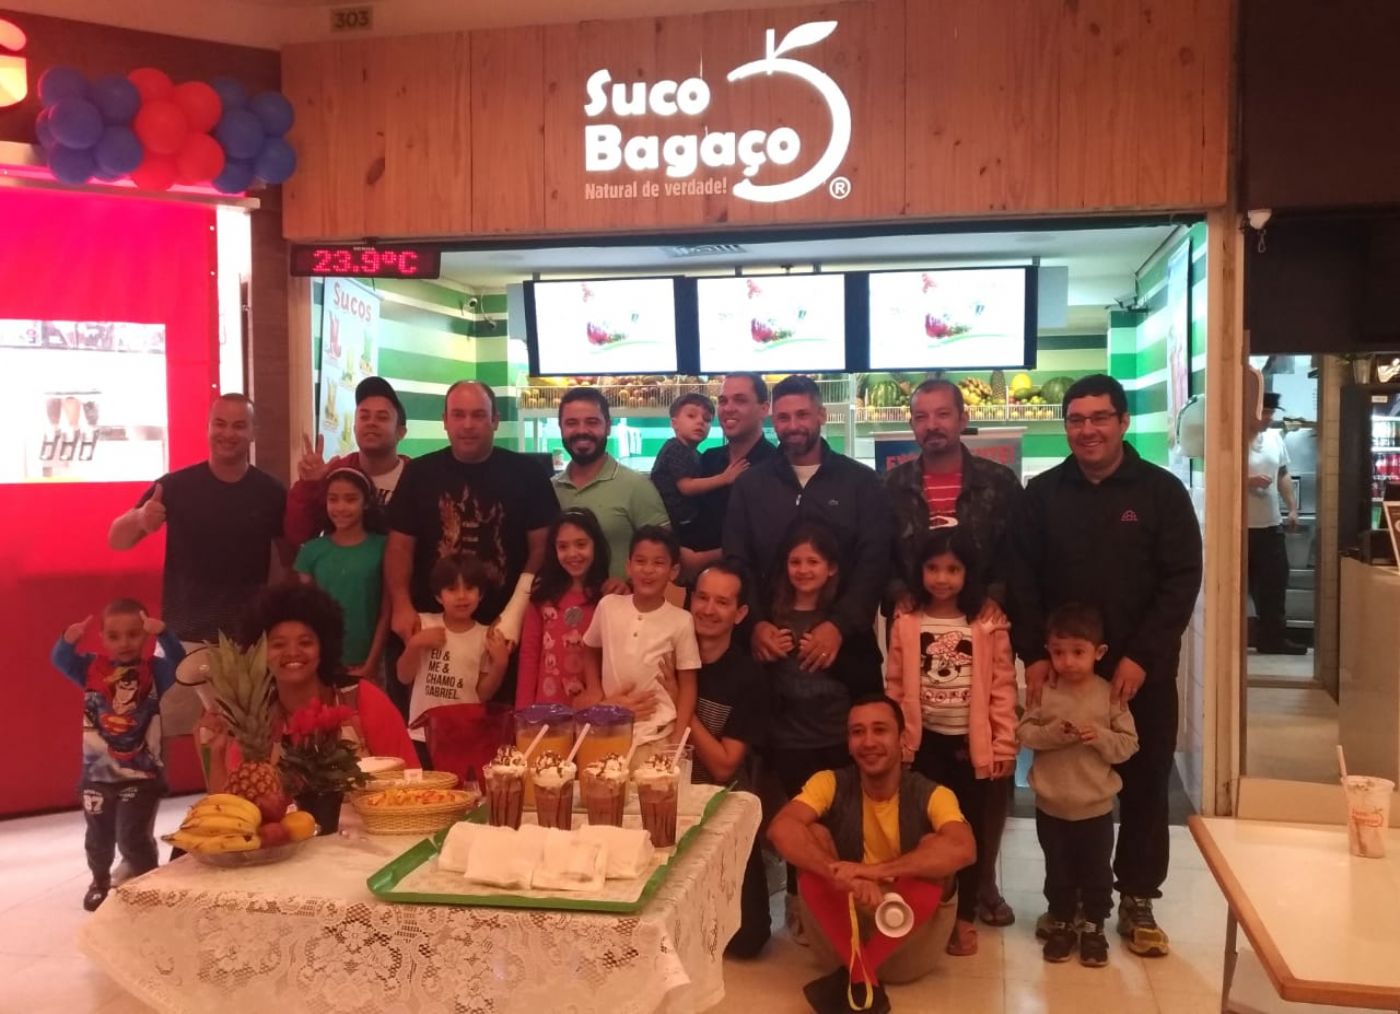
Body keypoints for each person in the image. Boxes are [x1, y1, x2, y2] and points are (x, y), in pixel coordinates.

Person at [1008, 373, 1202, 958]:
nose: (1087, 430)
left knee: (1144, 784)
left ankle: (1138, 897)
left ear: (1122, 422)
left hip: (1138, 676)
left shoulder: (1162, 492)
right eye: (1076, 419)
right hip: (1063, 676)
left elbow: (1181, 580)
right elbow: (1021, 579)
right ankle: (1067, 900)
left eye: (1099, 418)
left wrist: (1142, 655)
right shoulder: (1042, 495)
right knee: (1067, 790)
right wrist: (1033, 654)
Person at [883, 377, 1023, 929]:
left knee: (985, 778)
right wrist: (904, 597)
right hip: (917, 634)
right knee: (924, 784)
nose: (932, 426)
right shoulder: (894, 485)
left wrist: (988, 604)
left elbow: (1017, 554)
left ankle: (982, 883)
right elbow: (881, 556)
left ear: (963, 419)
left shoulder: (997, 482)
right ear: (912, 424)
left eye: (943, 414)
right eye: (921, 417)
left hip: (982, 635)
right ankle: (930, 884)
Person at [768, 695, 975, 1014]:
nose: (868, 742)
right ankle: (861, 978)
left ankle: (856, 976)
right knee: (811, 836)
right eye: (857, 732)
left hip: (906, 948)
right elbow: (780, 829)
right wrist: (841, 874)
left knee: (936, 847)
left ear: (902, 739)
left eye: (880, 730)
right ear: (849, 744)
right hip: (841, 938)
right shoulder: (829, 782)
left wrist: (874, 872)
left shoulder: (934, 793)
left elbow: (964, 847)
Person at [107, 393, 286, 743]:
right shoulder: (175, 486)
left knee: (246, 745)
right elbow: (117, 539)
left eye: (239, 426)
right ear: (207, 428)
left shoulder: (271, 492)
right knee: (170, 738)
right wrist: (140, 518)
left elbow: (286, 562)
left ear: (253, 432)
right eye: (220, 424)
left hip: (246, 644)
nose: (228, 433)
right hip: (181, 639)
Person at [884, 527, 1016, 957]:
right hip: (922, 745)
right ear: (919, 571)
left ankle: (964, 918)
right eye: (933, 568)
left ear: (968, 573)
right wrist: (897, 741)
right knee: (921, 830)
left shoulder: (988, 623)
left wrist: (1003, 745)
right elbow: (895, 684)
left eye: (953, 569)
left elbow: (1002, 687)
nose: (942, 578)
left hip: (968, 746)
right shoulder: (906, 620)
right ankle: (926, 912)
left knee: (968, 832)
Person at [386, 380, 556, 680]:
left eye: (478, 415)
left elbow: (542, 547)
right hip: (432, 629)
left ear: (495, 420)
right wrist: (401, 604)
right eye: (458, 414)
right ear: (445, 421)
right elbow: (399, 546)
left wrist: (514, 615)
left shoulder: (528, 474)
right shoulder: (418, 474)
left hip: (502, 633)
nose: (467, 425)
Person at [723, 374, 892, 671]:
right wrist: (756, 624)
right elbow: (737, 559)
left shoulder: (860, 482)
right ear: (773, 421)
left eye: (802, 415)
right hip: (768, 652)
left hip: (848, 652)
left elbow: (874, 561)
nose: (793, 426)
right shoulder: (751, 485)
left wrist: (839, 625)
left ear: (821, 415)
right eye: (783, 417)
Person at [766, 522, 885, 937]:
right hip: (789, 741)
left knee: (840, 826)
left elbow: (868, 677)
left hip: (836, 738)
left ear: (832, 567)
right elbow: (760, 678)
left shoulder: (844, 621)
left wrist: (832, 654)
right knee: (799, 826)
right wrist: (768, 651)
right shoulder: (772, 617)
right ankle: (799, 901)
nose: (803, 570)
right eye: (795, 561)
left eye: (813, 561)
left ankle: (842, 902)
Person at [203, 583, 418, 791]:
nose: (292, 652)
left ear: (323, 648)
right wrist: (217, 753)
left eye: (305, 642)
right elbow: (231, 806)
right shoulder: (256, 723)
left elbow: (411, 777)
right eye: (278, 644)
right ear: (261, 655)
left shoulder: (361, 697)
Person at [1017, 603, 1140, 967]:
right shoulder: (1044, 692)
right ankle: (1061, 923)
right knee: (1058, 869)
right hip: (1051, 806)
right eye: (1058, 653)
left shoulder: (1109, 694)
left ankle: (1094, 927)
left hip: (1094, 808)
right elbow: (1025, 732)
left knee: (1096, 871)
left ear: (1098, 653)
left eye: (1077, 652)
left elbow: (1128, 745)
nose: (1067, 662)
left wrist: (1100, 737)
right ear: (1048, 651)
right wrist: (1053, 735)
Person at [50, 601, 184, 911]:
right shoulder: (90, 669)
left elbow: (178, 661)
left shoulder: (155, 671)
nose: (124, 643)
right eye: (114, 636)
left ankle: (149, 885)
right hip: (96, 776)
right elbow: (60, 659)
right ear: (102, 638)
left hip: (141, 775)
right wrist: (68, 639)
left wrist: (164, 633)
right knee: (98, 838)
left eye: (133, 634)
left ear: (145, 635)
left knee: (131, 836)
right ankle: (99, 882)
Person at [686, 562, 772, 957]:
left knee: (748, 940)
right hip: (664, 798)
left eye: (722, 602)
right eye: (702, 598)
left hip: (722, 801)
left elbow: (724, 765)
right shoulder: (666, 653)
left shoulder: (748, 677)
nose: (708, 609)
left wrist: (682, 708)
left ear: (739, 614)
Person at [578, 526, 700, 760]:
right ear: (628, 566)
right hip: (608, 728)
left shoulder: (681, 621)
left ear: (673, 571)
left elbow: (688, 685)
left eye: (658, 563)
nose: (648, 570)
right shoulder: (608, 606)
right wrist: (594, 689)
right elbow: (590, 647)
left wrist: (677, 739)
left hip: (656, 734)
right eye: (640, 561)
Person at [398, 554, 510, 767]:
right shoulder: (423, 623)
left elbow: (482, 694)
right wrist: (415, 644)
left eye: (469, 588)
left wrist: (500, 664)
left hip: (464, 735)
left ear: (481, 594)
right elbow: (403, 676)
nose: (462, 596)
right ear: (438, 596)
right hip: (422, 734)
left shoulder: (485, 636)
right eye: (452, 589)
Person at [551, 387, 673, 579]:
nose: (582, 430)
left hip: (623, 598)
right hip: (560, 598)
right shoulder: (549, 489)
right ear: (561, 428)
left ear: (608, 426)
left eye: (592, 422)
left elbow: (665, 553)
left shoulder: (637, 486)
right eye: (571, 423)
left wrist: (629, 584)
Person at [284, 376, 410, 551]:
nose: (371, 423)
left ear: (401, 432)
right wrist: (309, 485)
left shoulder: (416, 478)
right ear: (354, 428)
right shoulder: (337, 474)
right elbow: (298, 537)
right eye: (364, 417)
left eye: (382, 418)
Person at [294, 467, 388, 679]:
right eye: (333, 499)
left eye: (350, 499)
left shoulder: (383, 547)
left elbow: (386, 612)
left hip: (372, 663)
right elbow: (306, 613)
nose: (340, 507)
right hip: (322, 662)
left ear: (366, 502)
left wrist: (371, 664)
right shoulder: (311, 551)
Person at [516, 508, 611, 709]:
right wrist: (522, 712)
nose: (572, 554)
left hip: (594, 710)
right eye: (563, 546)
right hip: (546, 712)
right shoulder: (541, 596)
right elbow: (529, 656)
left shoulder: (608, 597)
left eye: (581, 544)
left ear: (596, 545)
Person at [689, 373, 780, 556]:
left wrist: (704, 559)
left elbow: (772, 538)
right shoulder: (707, 459)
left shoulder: (778, 466)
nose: (728, 408)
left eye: (740, 400)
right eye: (723, 401)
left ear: (764, 409)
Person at [650, 392, 748, 550]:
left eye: (707, 419)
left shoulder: (693, 453)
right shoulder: (676, 448)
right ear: (674, 423)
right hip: (674, 524)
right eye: (691, 416)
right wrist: (724, 478)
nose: (700, 422)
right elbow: (686, 487)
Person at [1247, 392, 1304, 654]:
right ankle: (1234, 642)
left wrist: (1291, 508)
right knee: (1238, 589)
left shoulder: (1274, 438)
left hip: (1270, 526)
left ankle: (1273, 639)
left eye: (1271, 412)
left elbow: (1282, 474)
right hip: (1240, 529)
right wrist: (1247, 481)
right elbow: (1219, 477)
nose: (1269, 418)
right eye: (1264, 412)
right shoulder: (1232, 438)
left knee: (1274, 585)